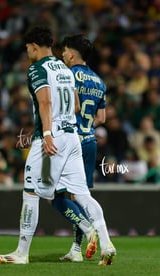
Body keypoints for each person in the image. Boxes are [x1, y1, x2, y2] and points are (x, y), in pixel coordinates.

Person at [0, 26, 115, 266]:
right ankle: (106, 242)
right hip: (74, 138)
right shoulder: (65, 69)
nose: (28, 52)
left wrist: (48, 132)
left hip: (53, 137)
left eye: (28, 48)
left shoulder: (37, 69)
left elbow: (45, 100)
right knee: (82, 194)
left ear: (33, 47)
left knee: (31, 191)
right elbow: (78, 106)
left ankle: (21, 253)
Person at [53, 34, 115, 263]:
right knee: (81, 196)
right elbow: (102, 117)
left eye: (65, 50)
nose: (62, 54)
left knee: (56, 195)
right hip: (89, 141)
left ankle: (87, 230)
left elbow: (71, 106)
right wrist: (86, 126)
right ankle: (77, 249)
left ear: (71, 53)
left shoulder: (67, 74)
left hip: (70, 141)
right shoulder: (99, 81)